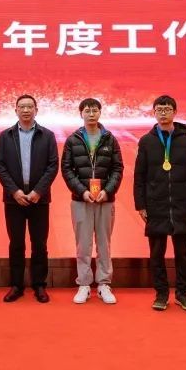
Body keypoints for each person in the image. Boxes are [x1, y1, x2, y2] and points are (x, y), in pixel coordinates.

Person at [134, 95, 186, 312]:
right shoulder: (146, 141)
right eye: (159, 109)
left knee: (183, 254)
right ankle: (161, 293)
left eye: (167, 109)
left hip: (182, 205)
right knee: (157, 254)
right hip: (156, 205)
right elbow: (139, 176)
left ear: (175, 112)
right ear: (154, 113)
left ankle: (183, 294)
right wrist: (141, 205)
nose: (163, 113)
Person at [0, 95, 59, 303]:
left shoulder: (47, 135)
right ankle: (16, 285)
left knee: (39, 243)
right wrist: (14, 191)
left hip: (39, 199)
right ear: (16, 110)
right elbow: (0, 165)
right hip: (14, 200)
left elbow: (52, 165)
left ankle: (39, 285)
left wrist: (38, 191)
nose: (26, 110)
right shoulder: (6, 136)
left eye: (30, 106)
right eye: (22, 107)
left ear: (36, 110)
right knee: (16, 243)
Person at [61, 98, 124, 304]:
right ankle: (84, 284)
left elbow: (117, 168)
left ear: (100, 113)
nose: (91, 114)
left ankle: (104, 283)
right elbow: (67, 169)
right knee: (83, 244)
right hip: (81, 200)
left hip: (105, 200)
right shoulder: (73, 140)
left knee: (104, 244)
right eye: (87, 110)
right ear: (81, 114)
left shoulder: (110, 139)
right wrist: (82, 192)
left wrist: (108, 190)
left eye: (94, 110)